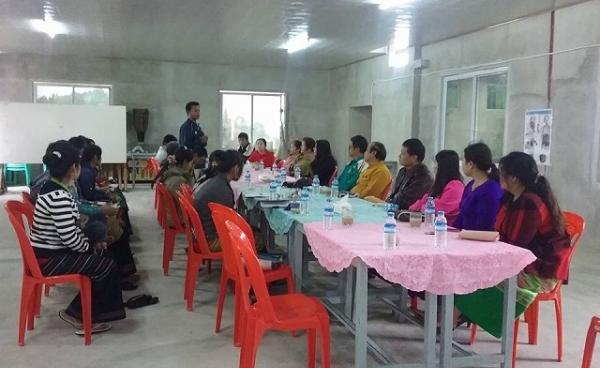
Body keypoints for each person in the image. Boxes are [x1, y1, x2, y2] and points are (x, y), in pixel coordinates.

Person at [455, 152, 572, 338]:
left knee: (476, 272)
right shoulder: (511, 198)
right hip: (522, 260)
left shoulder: (530, 202)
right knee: (467, 266)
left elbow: (515, 246)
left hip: (539, 271)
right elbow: (503, 236)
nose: (497, 175)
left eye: (502, 172)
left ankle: (457, 316)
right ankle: (458, 315)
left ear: (514, 178)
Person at [30, 141, 125, 334]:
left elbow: (68, 228)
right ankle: (77, 314)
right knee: (105, 265)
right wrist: (91, 247)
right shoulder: (59, 196)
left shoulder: (50, 188)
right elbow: (70, 239)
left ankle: (88, 310)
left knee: (104, 256)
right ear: (74, 168)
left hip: (49, 252)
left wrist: (86, 235)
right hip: (49, 260)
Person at [193, 150, 243, 251]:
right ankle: (244, 265)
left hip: (202, 235)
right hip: (212, 240)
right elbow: (228, 224)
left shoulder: (216, 181)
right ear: (235, 167)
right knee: (259, 239)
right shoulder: (222, 190)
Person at [453, 143, 504, 231]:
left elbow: (485, 225)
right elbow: (461, 216)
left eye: (463, 160)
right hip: (465, 236)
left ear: (471, 164)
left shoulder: (491, 190)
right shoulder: (470, 185)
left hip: (479, 239)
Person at [408, 150, 464, 225]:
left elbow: (438, 208)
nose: (434, 167)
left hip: (448, 229)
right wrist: (419, 207)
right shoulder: (439, 185)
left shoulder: (455, 186)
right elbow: (422, 202)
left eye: (436, 163)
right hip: (434, 226)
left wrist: (422, 207)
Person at [387, 138, 433, 210]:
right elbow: (393, 195)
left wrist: (391, 201)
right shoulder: (402, 171)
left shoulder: (423, 176)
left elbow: (406, 201)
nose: (399, 156)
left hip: (411, 215)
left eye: (403, 154)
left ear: (414, 157)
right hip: (396, 210)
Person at [161, 147, 194, 227]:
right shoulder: (178, 180)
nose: (191, 166)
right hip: (178, 219)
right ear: (185, 162)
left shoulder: (173, 173)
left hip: (173, 216)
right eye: (191, 163)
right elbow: (188, 204)